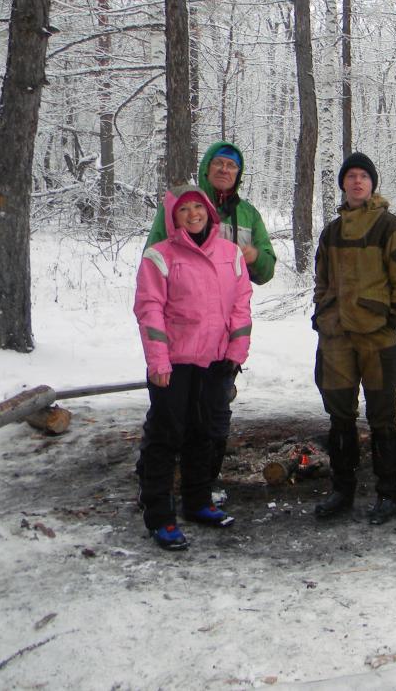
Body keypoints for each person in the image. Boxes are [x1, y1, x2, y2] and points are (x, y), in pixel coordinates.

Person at [145, 141, 276, 493]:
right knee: (172, 417)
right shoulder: (181, 205)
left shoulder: (248, 214)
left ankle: (203, 485)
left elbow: (266, 269)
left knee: (214, 414)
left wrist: (254, 258)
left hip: (223, 335)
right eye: (218, 164)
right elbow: (153, 263)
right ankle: (161, 486)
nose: (224, 170)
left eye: (231, 166)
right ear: (206, 168)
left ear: (238, 174)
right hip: (180, 337)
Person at [134, 185, 252, 551]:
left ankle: (198, 501)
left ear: (209, 213)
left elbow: (241, 304)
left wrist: (237, 348)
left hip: (215, 360)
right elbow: (149, 310)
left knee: (205, 434)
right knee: (166, 435)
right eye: (184, 210)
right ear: (173, 217)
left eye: (197, 208)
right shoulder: (160, 256)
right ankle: (159, 514)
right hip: (174, 363)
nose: (193, 215)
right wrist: (158, 360)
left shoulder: (230, 253)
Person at [311, 152, 396, 524]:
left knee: (382, 416)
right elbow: (322, 278)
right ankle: (342, 490)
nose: (357, 182)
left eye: (363, 177)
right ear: (343, 184)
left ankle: (388, 493)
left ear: (373, 184)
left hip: (378, 337)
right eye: (351, 176)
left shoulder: (391, 226)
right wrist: (323, 311)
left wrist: (395, 320)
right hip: (336, 337)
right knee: (339, 417)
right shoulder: (332, 231)